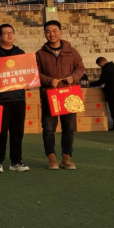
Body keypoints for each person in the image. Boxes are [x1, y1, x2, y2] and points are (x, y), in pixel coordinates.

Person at [36, 21, 85, 171]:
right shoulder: (40, 54)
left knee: (69, 127)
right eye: (48, 31)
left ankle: (66, 157)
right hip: (49, 95)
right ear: (45, 34)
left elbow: (80, 68)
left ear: (60, 32)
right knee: (48, 128)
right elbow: (36, 73)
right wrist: (49, 80)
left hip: (69, 95)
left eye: (55, 31)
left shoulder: (71, 51)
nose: (52, 34)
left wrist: (73, 77)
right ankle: (51, 157)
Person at [0, 24, 31, 174]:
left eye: (11, 32)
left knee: (17, 132)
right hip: (1, 100)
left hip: (18, 98)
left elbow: (27, 74)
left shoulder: (20, 53)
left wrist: (28, 83)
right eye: (5, 33)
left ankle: (16, 161)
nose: (9, 35)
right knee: (0, 132)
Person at [90, 57, 114, 131]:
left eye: (99, 65)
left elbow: (101, 81)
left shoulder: (106, 69)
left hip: (111, 92)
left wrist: (91, 84)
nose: (100, 67)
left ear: (101, 63)